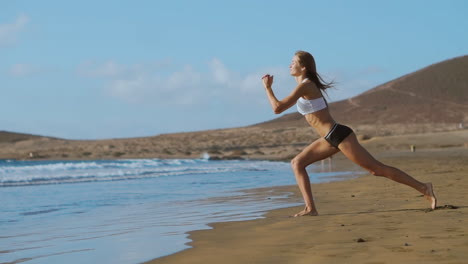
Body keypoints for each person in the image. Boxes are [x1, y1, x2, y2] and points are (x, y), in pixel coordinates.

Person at [261, 50, 437, 217]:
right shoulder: (303, 85)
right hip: (329, 137)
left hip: (338, 135)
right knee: (297, 163)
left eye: (294, 62)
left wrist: (268, 88)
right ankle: (310, 208)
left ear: (304, 67)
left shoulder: (306, 85)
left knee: (377, 170)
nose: (290, 65)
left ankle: (424, 188)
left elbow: (278, 108)